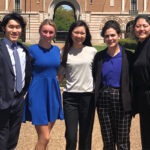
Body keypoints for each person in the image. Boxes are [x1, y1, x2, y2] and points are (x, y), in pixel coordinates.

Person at [23, 19, 64, 150]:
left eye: (51, 32)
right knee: (45, 137)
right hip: (37, 93)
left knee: (44, 138)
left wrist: (59, 78)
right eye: (45, 31)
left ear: (54, 34)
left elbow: (60, 70)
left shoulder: (57, 50)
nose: (47, 35)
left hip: (53, 93)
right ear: (40, 31)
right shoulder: (31, 50)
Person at [92, 20, 133, 150]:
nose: (110, 39)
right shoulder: (99, 57)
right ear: (104, 38)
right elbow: (95, 78)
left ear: (119, 35)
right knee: (108, 140)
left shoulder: (128, 56)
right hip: (103, 98)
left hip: (122, 98)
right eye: (107, 36)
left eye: (113, 35)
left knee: (122, 141)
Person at [58, 20, 97, 150]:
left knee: (86, 135)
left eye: (82, 33)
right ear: (71, 33)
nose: (79, 35)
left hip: (88, 96)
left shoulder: (92, 51)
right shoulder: (64, 52)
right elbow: (60, 76)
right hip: (70, 98)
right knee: (71, 136)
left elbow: (98, 74)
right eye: (76, 32)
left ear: (86, 35)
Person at [0, 12, 32, 149]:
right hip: (2, 102)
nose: (14, 30)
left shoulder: (24, 50)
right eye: (11, 27)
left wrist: (22, 95)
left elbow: (27, 74)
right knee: (1, 140)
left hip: (18, 101)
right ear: (4, 28)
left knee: (13, 140)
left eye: (18, 27)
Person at [132, 15, 150, 150]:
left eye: (145, 26)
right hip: (144, 99)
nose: (141, 29)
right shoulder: (140, 46)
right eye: (138, 26)